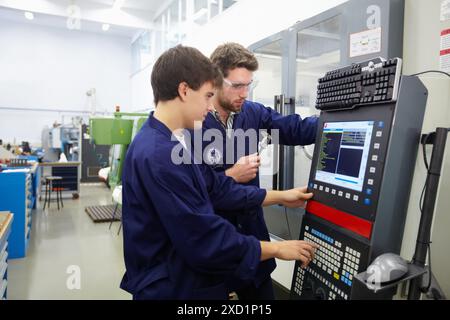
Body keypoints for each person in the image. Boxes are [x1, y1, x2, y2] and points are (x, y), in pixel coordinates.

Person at [120, 45, 318, 300]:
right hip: (181, 280)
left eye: (248, 85)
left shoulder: (169, 141)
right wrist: (277, 248)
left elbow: (214, 187)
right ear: (184, 90)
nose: (208, 105)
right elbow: (202, 236)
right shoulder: (163, 152)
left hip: (221, 257)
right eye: (207, 95)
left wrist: (280, 196)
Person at [201, 42, 320, 299]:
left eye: (249, 85)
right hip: (218, 245)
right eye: (237, 85)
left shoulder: (251, 112)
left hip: (254, 242)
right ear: (215, 80)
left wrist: (337, 121)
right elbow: (195, 190)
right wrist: (231, 175)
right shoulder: (195, 123)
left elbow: (294, 128)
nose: (244, 93)